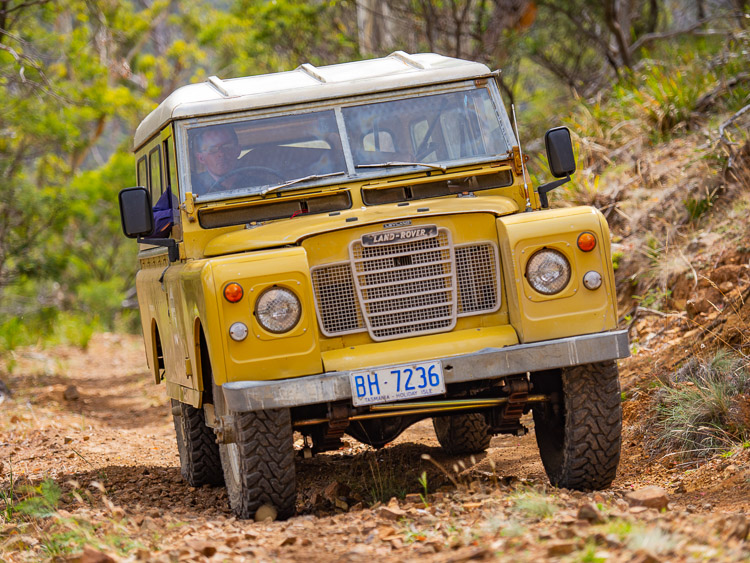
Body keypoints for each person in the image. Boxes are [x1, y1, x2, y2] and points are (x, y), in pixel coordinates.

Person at [190, 125, 243, 194]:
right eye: (212, 150)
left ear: (238, 150)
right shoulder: (192, 190)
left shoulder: (256, 184)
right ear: (201, 158)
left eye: (227, 147)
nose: (221, 154)